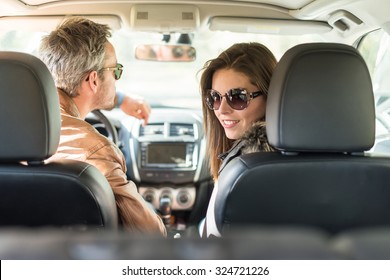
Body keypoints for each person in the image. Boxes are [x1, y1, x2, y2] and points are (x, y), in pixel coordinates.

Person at [39, 16, 166, 236]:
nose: (117, 80)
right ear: (94, 80)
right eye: (115, 71)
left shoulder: (15, 127)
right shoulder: (94, 150)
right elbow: (150, 234)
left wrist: (120, 99)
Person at [199, 42, 277, 237]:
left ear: (271, 95)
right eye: (214, 97)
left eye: (238, 97)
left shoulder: (246, 170)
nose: (221, 109)